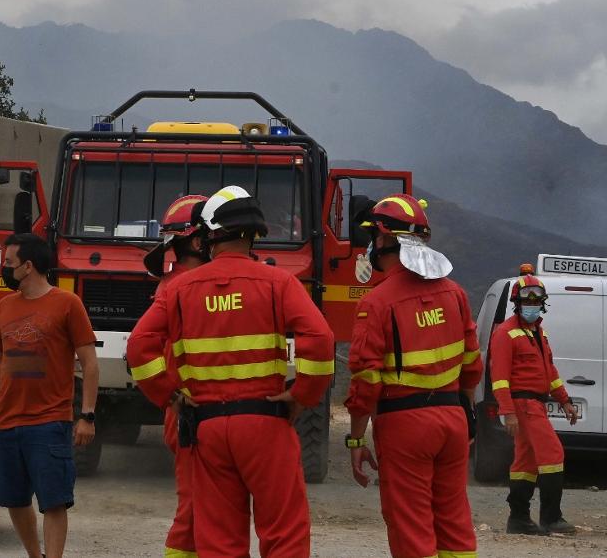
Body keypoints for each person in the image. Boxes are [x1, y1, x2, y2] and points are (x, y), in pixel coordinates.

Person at [169, 185, 334, 558]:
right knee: (284, 534)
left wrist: (170, 395)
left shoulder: (181, 288)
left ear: (209, 235)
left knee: (220, 539)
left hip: (207, 427)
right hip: (267, 423)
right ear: (253, 234)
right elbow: (321, 338)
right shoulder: (279, 283)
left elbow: (141, 344)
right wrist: (303, 395)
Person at [344, 195, 481, 558]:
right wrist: (466, 417)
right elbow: (472, 366)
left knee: (411, 525)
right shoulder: (455, 294)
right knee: (453, 521)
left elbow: (365, 382)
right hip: (453, 421)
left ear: (384, 239)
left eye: (374, 237)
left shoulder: (377, 302)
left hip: (405, 426)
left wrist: (356, 441)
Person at [0, 232, 100, 558]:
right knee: (14, 499)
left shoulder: (67, 304)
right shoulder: (5, 306)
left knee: (54, 501)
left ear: (28, 266)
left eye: (9, 263)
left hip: (50, 422)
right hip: (8, 422)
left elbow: (90, 362)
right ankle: (35, 555)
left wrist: (87, 416)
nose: (4, 268)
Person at [127, 194, 210, 558]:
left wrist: (168, 398)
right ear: (197, 240)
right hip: (194, 412)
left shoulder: (173, 284)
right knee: (194, 510)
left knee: (204, 508)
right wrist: (173, 398)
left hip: (188, 411)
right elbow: (141, 348)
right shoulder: (191, 286)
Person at [489, 271, 578, 535]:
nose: (531, 305)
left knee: (525, 462)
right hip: (523, 405)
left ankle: (519, 519)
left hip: (535, 404)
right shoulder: (506, 333)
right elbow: (500, 378)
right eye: (526, 301)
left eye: (536, 301)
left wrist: (565, 401)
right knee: (552, 454)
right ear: (517, 303)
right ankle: (552, 518)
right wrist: (508, 412)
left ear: (543, 303)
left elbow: (549, 372)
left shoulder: (539, 332)